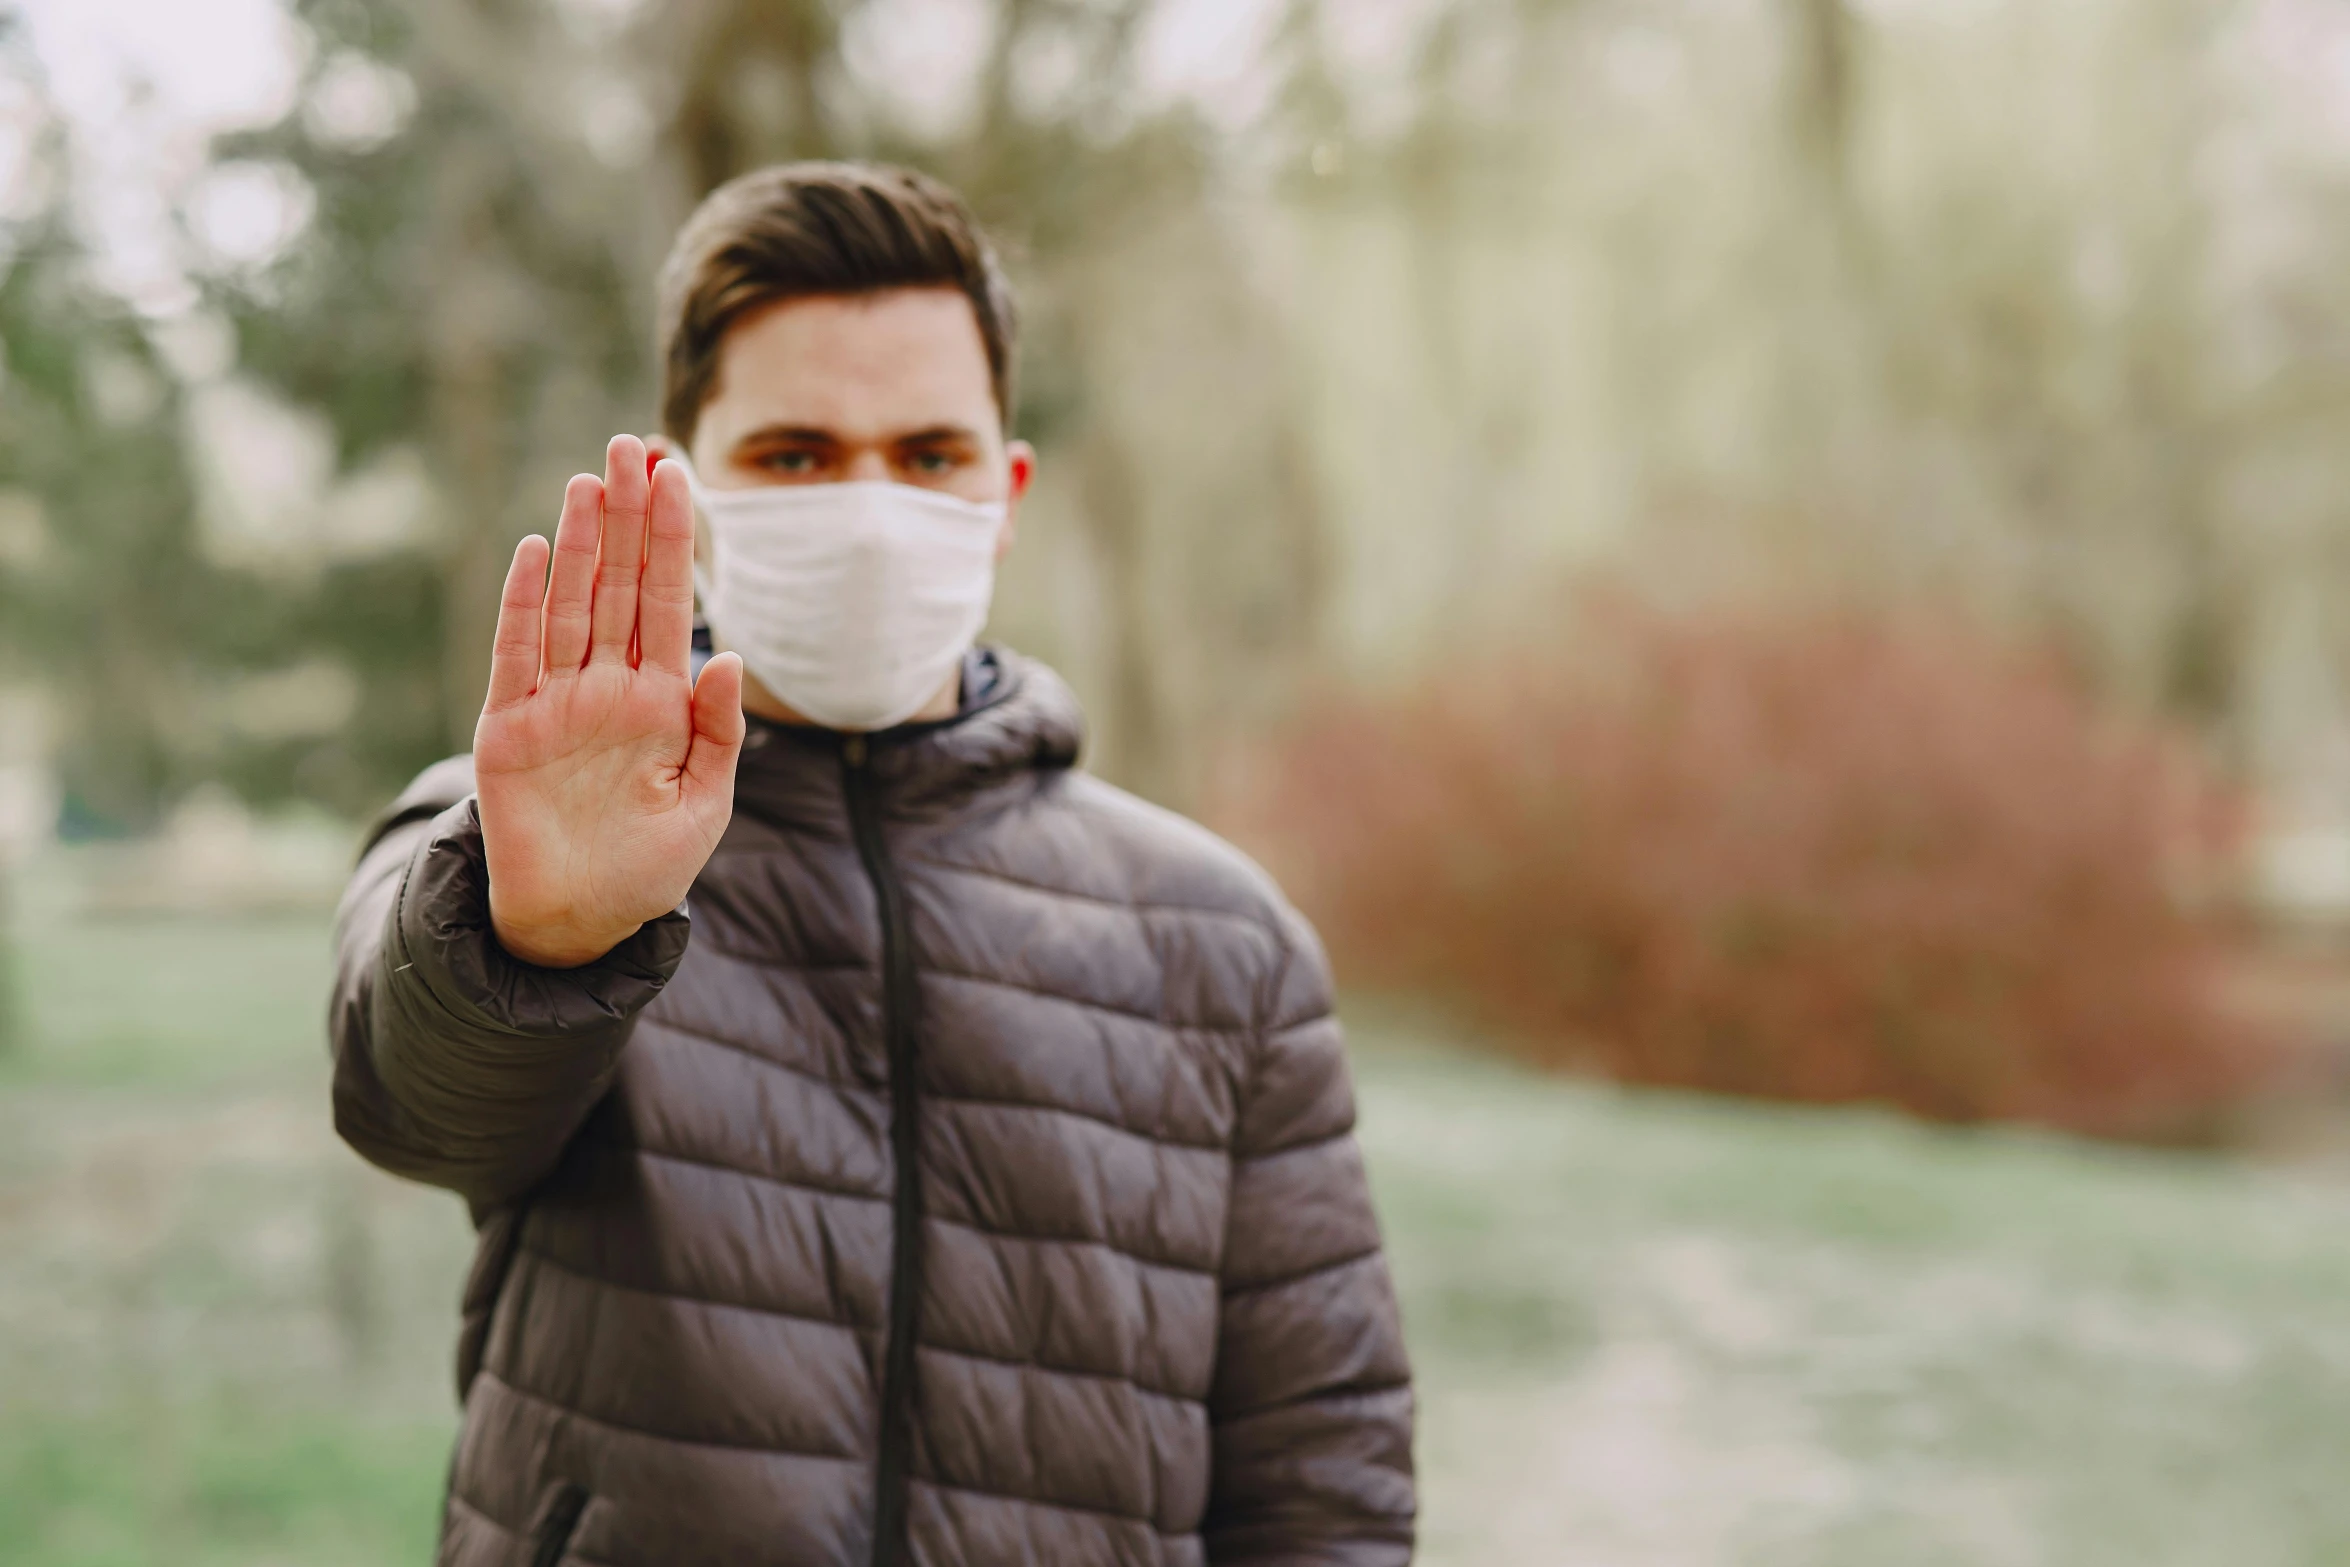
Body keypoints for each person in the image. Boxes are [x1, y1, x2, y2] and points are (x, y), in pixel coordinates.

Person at [330, 161, 1414, 1567]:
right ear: (691, 487)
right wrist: (544, 940)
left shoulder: (1221, 936)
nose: (867, 508)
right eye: (792, 454)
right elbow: (414, 1115)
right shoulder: (509, 842)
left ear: (1005, 491)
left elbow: (1320, 1470)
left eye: (928, 455)